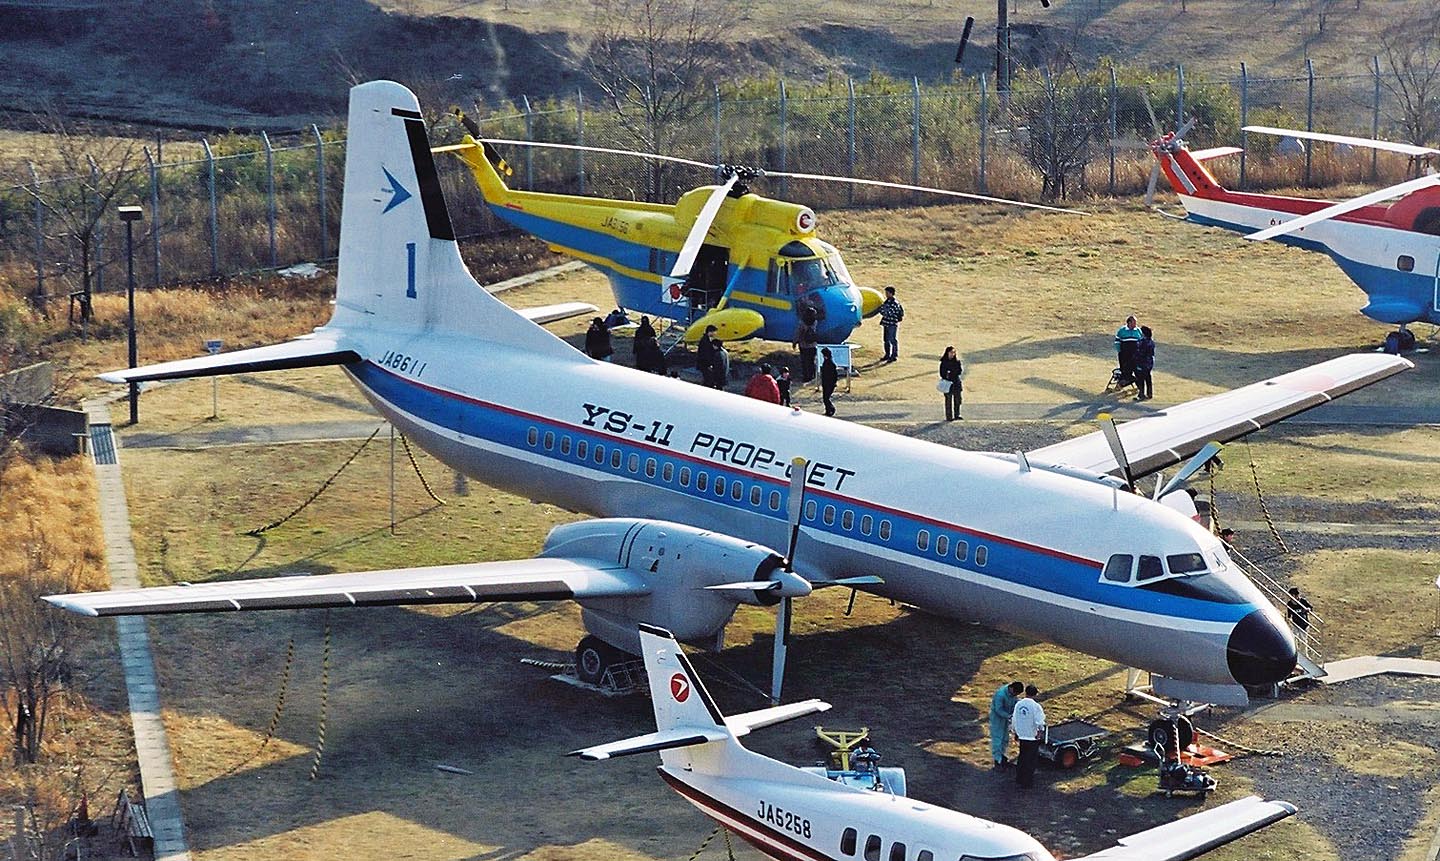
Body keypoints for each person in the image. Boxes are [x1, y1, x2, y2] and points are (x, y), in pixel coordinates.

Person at [1011, 685, 1046, 789]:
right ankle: (1027, 781)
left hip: (1022, 735)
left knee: (1022, 757)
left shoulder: (1018, 704)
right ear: (1035, 694)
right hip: (1032, 736)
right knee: (1030, 760)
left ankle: (1019, 778)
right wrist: (1040, 732)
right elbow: (1039, 722)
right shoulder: (1036, 706)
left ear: (1025, 692)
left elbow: (1014, 719)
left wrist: (1015, 731)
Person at [988, 681, 1024, 768]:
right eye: (1015, 693)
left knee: (1005, 738)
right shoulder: (1000, 695)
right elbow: (998, 709)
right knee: (998, 739)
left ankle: (1002, 755)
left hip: (1006, 719)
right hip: (997, 719)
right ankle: (997, 760)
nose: (1015, 695)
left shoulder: (1012, 694)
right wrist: (1009, 716)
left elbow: (1015, 702)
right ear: (1011, 689)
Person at [1114, 314, 1142, 387]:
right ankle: (1123, 383)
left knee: (1137, 370)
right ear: (1129, 322)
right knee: (1125, 370)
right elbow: (1117, 341)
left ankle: (1139, 387)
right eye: (1134, 322)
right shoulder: (1122, 330)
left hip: (1135, 354)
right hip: (1124, 354)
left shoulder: (1138, 330)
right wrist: (1120, 351)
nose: (1135, 324)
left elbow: (1141, 341)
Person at [878, 286, 904, 362]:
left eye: (887, 293)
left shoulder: (895, 303)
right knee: (886, 340)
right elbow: (882, 310)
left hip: (892, 324)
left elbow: (887, 312)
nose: (886, 294)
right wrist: (883, 310)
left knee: (892, 340)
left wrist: (883, 310)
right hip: (886, 323)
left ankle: (894, 355)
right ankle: (887, 354)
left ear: (891, 293)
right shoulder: (887, 302)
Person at [939, 345, 964, 421]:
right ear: (947, 353)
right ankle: (949, 416)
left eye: (954, 352)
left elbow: (959, 371)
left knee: (958, 400)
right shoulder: (944, 362)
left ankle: (957, 414)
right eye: (951, 352)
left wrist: (951, 372)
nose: (952, 354)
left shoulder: (957, 362)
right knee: (948, 401)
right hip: (948, 383)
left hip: (956, 383)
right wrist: (948, 375)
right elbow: (942, 373)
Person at [794, 309, 819, 382]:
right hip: (813, 344)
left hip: (803, 345)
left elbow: (798, 333)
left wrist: (795, 342)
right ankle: (812, 375)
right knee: (811, 361)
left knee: (804, 362)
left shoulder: (802, 323)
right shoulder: (815, 322)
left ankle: (806, 377)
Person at [1134, 325, 1155, 401]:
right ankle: (1149, 393)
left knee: (1140, 379)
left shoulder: (1142, 342)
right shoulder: (1151, 342)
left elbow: (1139, 352)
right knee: (1148, 378)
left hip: (1142, 363)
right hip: (1149, 363)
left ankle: (1141, 394)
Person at [820, 348, 839, 416]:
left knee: (826, 398)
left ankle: (831, 409)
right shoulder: (826, 362)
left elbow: (834, 375)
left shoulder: (830, 363)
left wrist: (834, 382)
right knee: (825, 397)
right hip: (826, 383)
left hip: (829, 383)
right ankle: (828, 410)